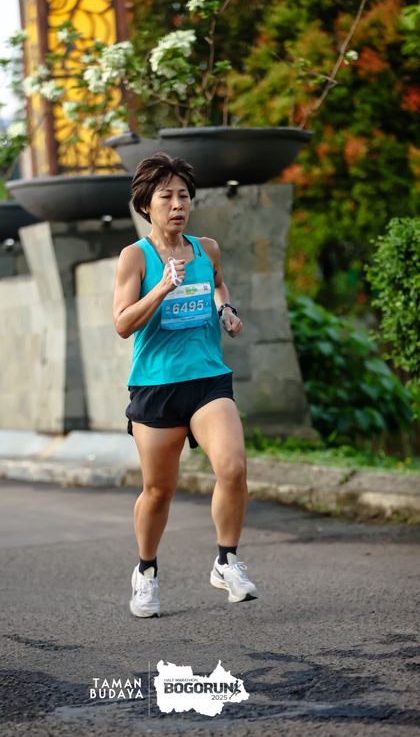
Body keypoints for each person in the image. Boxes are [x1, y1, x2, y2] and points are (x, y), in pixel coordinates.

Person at [112, 153, 258, 618]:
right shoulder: (135, 257)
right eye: (166, 197)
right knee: (158, 491)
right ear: (146, 205)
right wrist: (160, 289)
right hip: (156, 386)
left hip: (207, 378)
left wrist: (225, 309)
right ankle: (146, 571)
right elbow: (122, 324)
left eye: (183, 196)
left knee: (233, 467)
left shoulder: (206, 249)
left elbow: (218, 285)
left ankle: (226, 561)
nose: (178, 205)